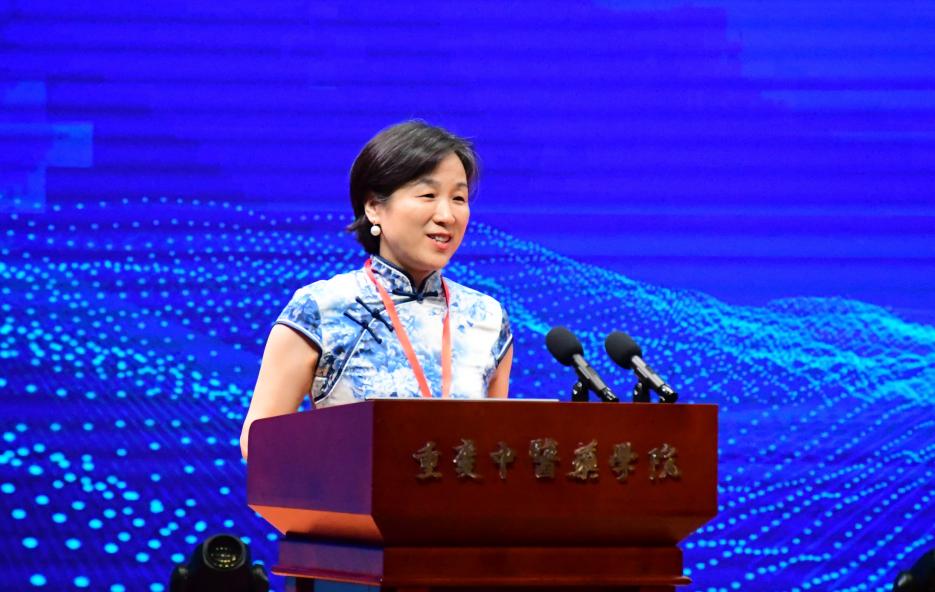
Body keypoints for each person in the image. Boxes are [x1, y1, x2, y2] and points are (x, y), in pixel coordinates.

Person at [240, 121, 514, 459]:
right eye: (428, 195)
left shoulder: (487, 317)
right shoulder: (320, 309)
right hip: (347, 494)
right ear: (373, 207)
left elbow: (494, 450)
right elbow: (260, 443)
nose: (447, 215)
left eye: (458, 198)